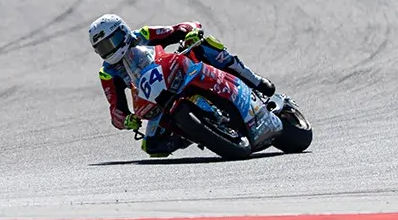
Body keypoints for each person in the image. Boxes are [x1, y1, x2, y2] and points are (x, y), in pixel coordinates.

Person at [89, 14, 276, 158]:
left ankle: (253, 79)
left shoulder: (143, 35)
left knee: (205, 45)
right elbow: (116, 110)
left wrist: (191, 32)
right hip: (155, 98)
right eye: (103, 48)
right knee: (152, 146)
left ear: (122, 31)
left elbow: (180, 28)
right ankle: (194, 133)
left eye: (111, 43)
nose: (110, 50)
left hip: (175, 71)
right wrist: (126, 120)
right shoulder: (107, 72)